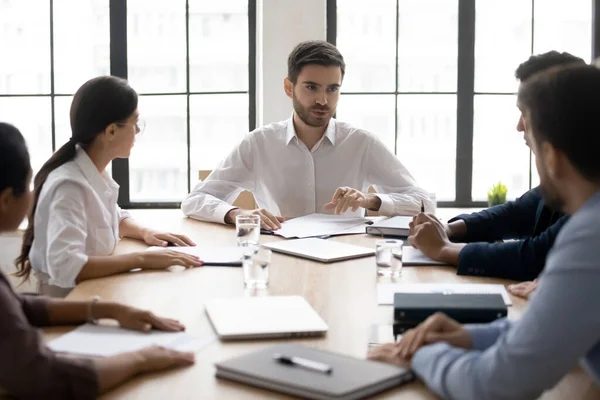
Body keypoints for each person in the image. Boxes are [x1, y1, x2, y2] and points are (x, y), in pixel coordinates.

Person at [369, 64, 600, 399]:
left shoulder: (590, 236)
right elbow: (557, 327)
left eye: (532, 140)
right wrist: (470, 336)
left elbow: (496, 384)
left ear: (550, 156)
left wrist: (417, 352)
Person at [0, 122, 195, 399]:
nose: (34, 194)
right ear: (6, 199)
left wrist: (110, 310)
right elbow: (44, 377)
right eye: (29, 185)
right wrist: (140, 360)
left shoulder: (93, 173)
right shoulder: (68, 181)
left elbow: (18, 306)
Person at [181, 40, 433, 230]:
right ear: (288, 87)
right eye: (311, 87)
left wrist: (371, 200)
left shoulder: (362, 143)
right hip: (279, 257)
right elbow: (195, 200)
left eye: (332, 89)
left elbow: (424, 203)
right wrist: (237, 214)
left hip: (347, 260)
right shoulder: (258, 144)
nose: (323, 100)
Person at [408, 51, 584, 287]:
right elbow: (518, 212)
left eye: (525, 113)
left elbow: (536, 256)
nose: (519, 126)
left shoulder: (588, 184)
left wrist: (444, 249)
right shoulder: (568, 172)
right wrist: (449, 229)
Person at [15, 76, 202, 297]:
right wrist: (142, 259)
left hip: (97, 294)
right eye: (135, 122)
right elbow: (66, 266)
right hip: (69, 306)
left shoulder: (92, 171)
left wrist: (146, 232)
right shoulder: (69, 186)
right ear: (111, 131)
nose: (138, 132)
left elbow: (111, 216)